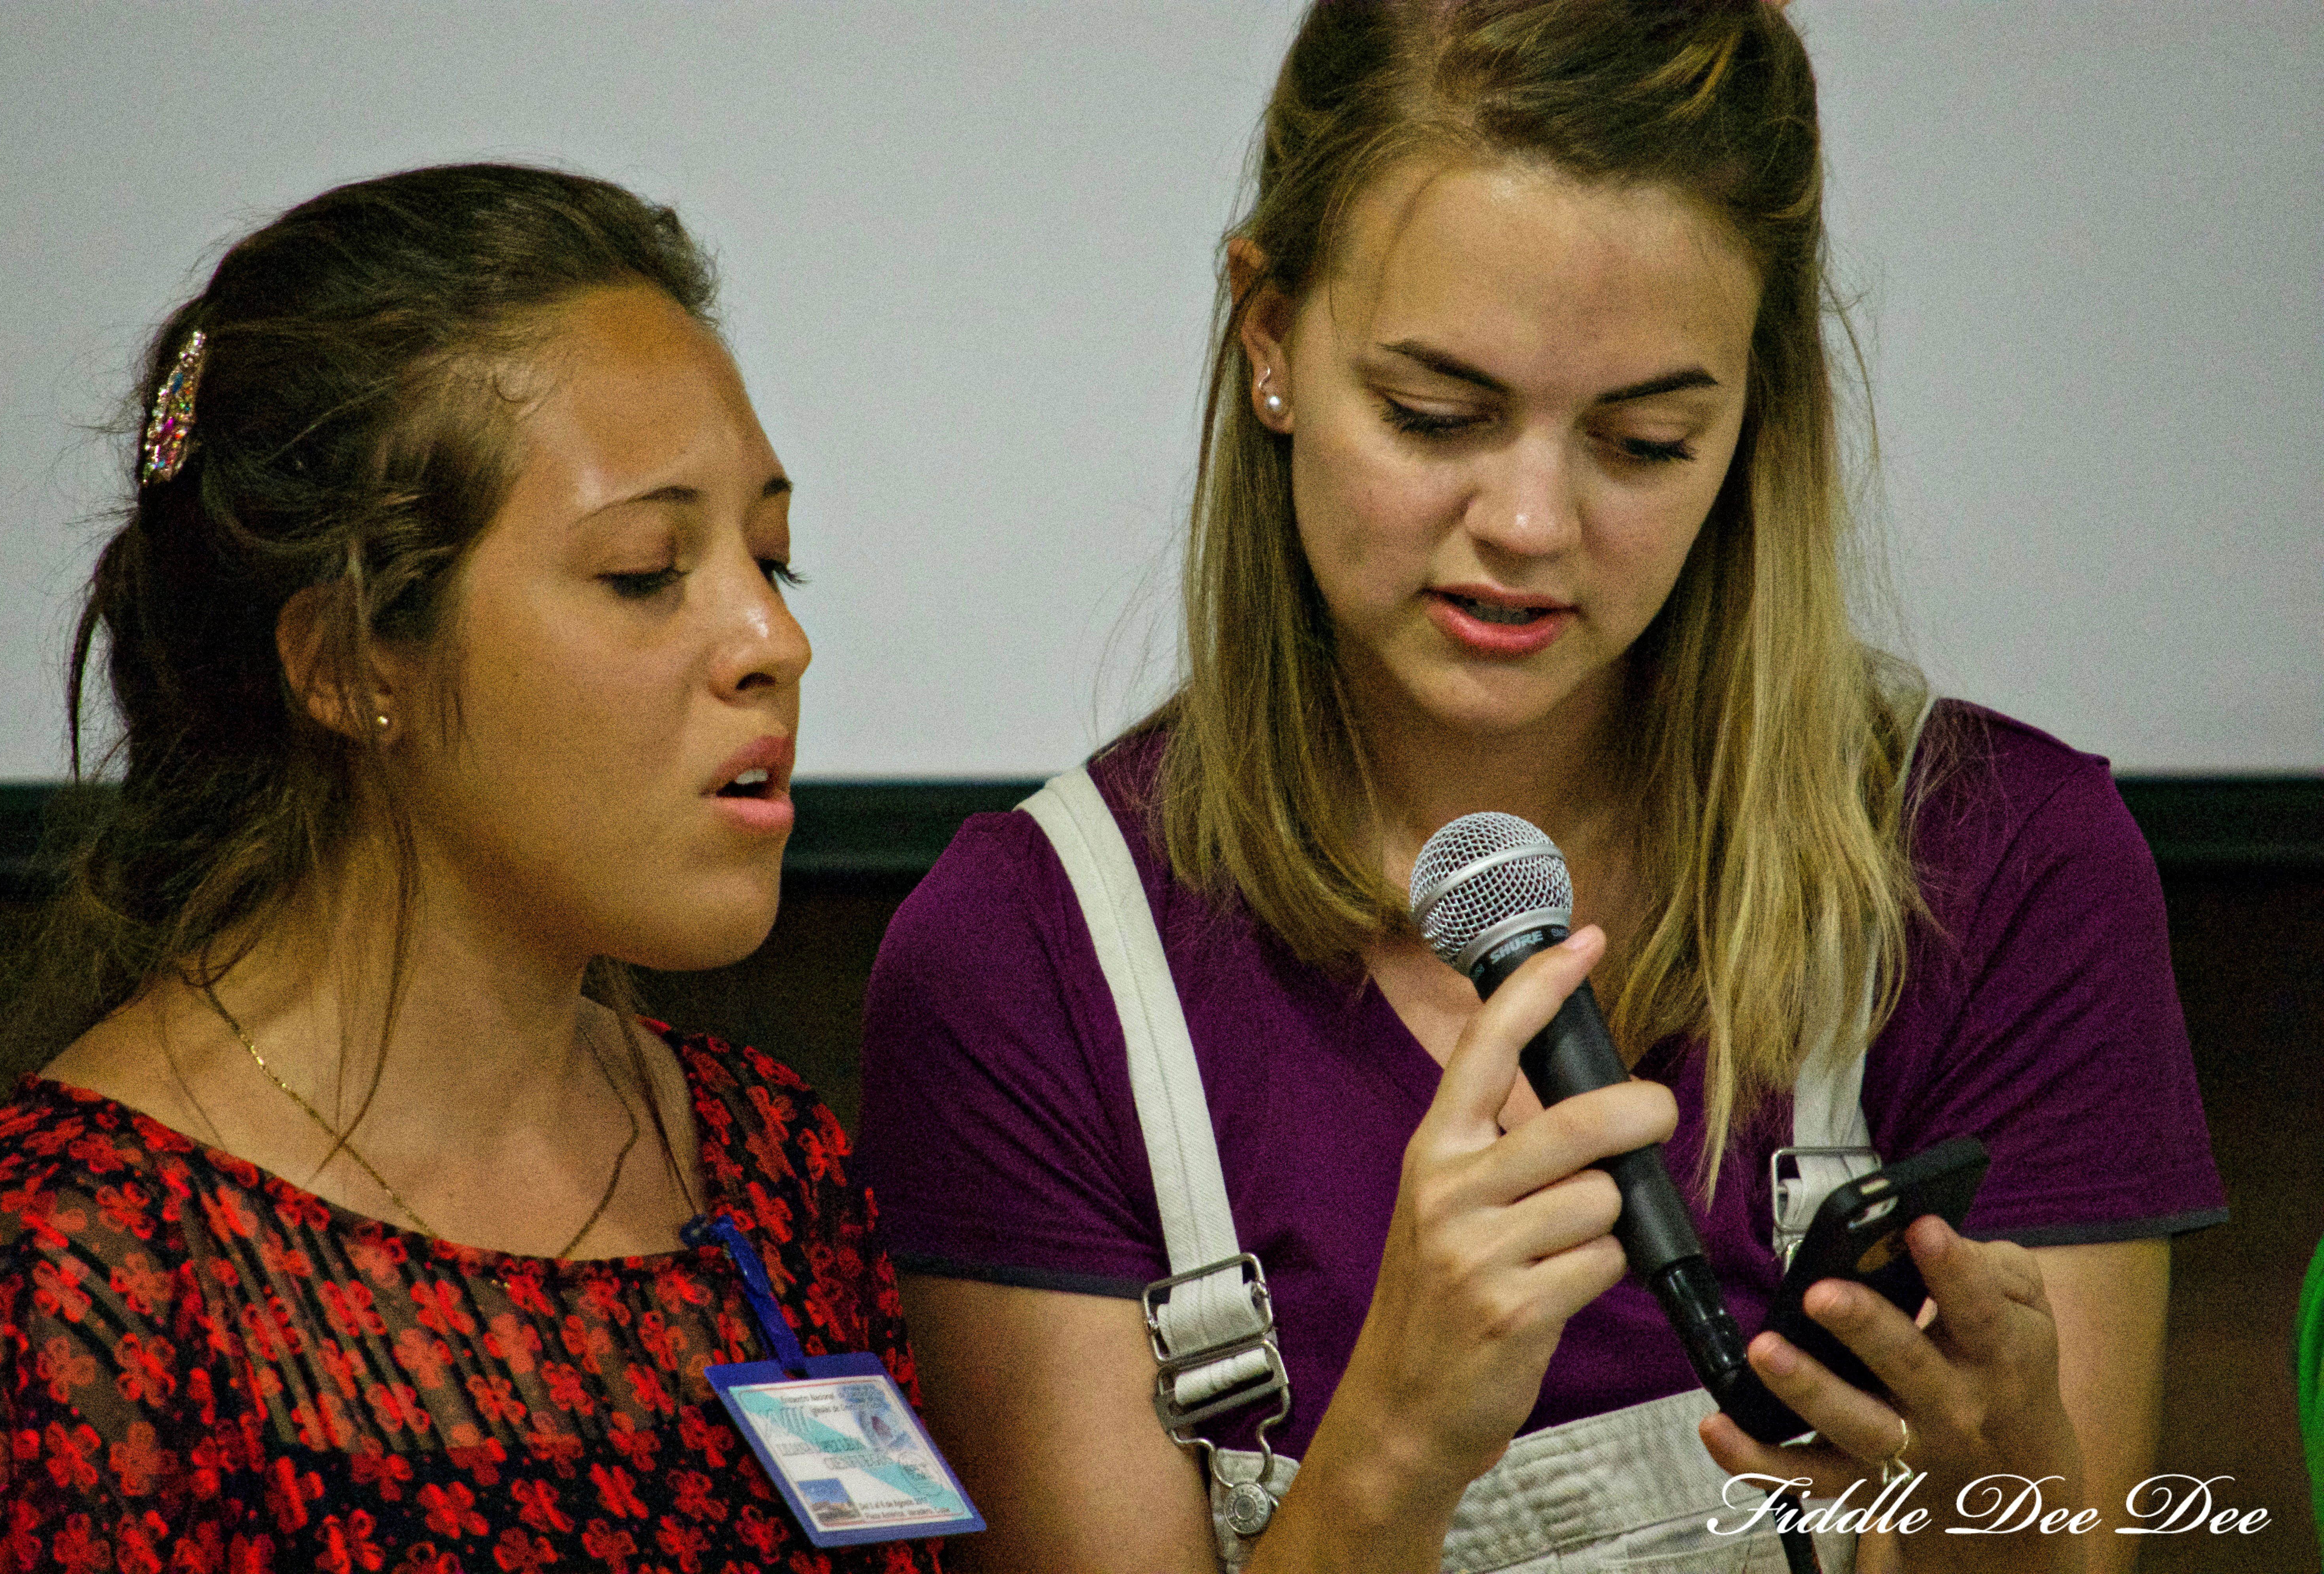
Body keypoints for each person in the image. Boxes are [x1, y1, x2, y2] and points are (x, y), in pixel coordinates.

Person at [854, 4, 2223, 1572]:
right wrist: (1392, 1448)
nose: (1527, 521)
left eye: (1644, 440)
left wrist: (2015, 1528)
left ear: (1754, 415)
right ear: (1268, 337)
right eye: (1438, 415)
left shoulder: (2003, 869)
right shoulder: (1028, 959)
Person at [0, 164, 943, 1574]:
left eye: (772, 561)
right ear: (353, 662)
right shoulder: (77, 1278)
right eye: (646, 571)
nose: (770, 643)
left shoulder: (767, 1163)